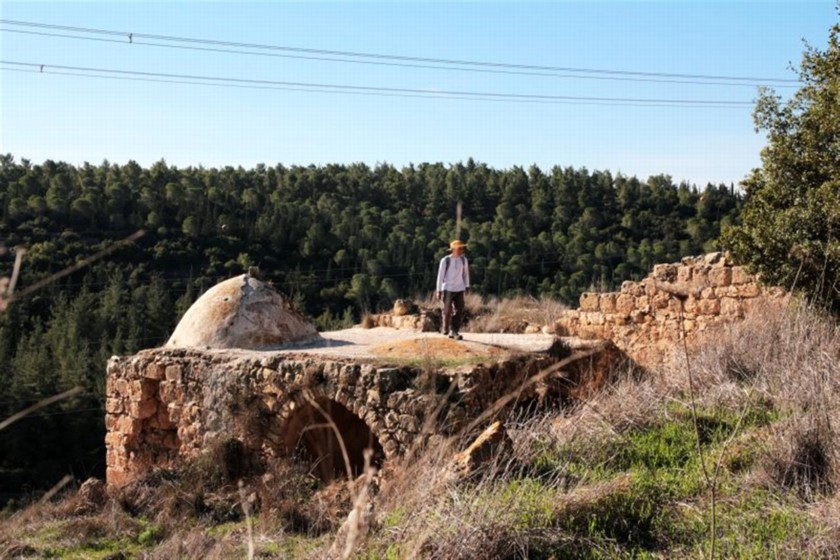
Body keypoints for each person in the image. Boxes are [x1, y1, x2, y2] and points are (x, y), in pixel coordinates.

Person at [435, 240, 470, 340]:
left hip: (459, 288)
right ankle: (445, 328)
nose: (462, 250)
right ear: (454, 249)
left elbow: (466, 274)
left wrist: (467, 286)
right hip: (447, 288)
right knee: (446, 311)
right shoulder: (445, 260)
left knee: (459, 310)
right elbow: (440, 276)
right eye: (460, 248)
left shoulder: (464, 260)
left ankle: (454, 331)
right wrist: (439, 290)